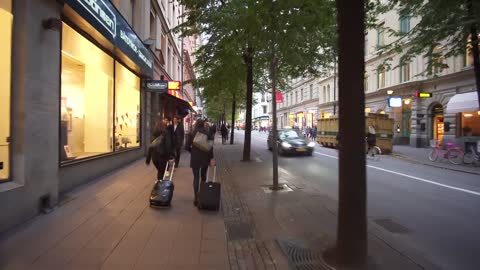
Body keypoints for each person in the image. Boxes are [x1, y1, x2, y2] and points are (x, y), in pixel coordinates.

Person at [186, 119, 215, 206]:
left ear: (196, 124)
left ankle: (195, 197)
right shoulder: (208, 133)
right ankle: (201, 196)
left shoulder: (192, 133)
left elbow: (186, 146)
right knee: (203, 177)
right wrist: (211, 158)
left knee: (196, 178)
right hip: (205, 158)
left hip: (195, 158)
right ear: (203, 124)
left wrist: (192, 152)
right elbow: (210, 147)